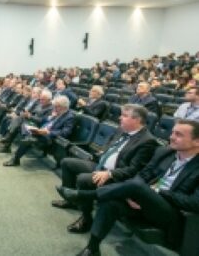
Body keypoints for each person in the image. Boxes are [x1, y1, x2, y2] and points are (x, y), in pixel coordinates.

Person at [63, 119, 199, 256]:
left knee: (136, 185)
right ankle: (92, 248)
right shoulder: (164, 153)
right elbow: (143, 175)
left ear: (197, 141)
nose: (171, 137)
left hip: (170, 212)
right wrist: (134, 194)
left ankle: (84, 195)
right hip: (142, 199)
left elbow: (194, 202)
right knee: (110, 203)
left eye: (179, 135)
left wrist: (154, 192)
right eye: (173, 132)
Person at [53, 104, 158, 234]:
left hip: (116, 176)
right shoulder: (121, 129)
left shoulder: (147, 141)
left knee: (83, 179)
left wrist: (110, 173)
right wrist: (101, 154)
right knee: (67, 162)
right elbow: (110, 145)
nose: (120, 118)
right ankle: (71, 202)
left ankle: (86, 219)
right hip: (100, 166)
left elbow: (134, 169)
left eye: (124, 116)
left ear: (137, 120)